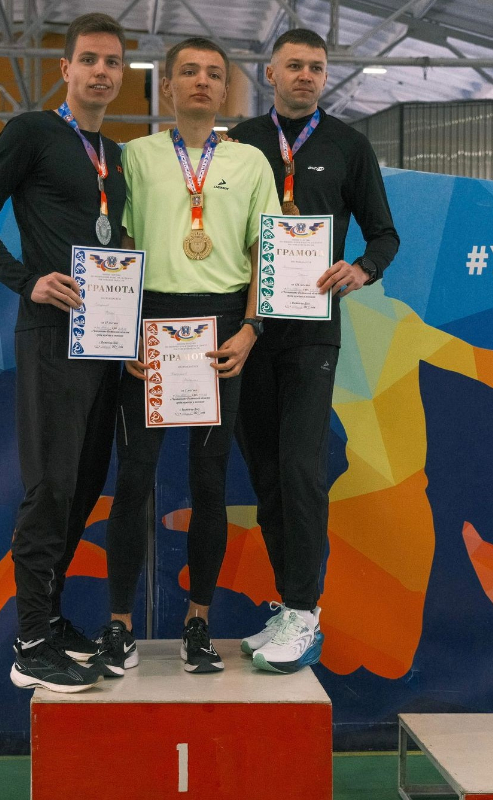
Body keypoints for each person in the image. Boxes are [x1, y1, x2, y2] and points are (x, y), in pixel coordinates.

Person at [90, 37, 280, 676]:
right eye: (188, 71)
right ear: (167, 86)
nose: (202, 81)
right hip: (152, 323)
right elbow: (119, 246)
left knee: (209, 483)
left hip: (223, 328)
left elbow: (264, 254)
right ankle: (118, 628)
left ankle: (198, 623)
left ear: (226, 90)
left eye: (214, 74)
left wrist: (250, 329)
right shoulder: (134, 157)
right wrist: (124, 335)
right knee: (133, 479)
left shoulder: (250, 162)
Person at [0, 13, 127, 692]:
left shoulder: (114, 156)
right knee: (49, 487)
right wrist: (27, 280)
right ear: (65, 68)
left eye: (113, 62)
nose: (102, 72)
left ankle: (48, 620)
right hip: (52, 337)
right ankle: (29, 644)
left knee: (82, 486)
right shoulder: (30, 132)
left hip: (103, 343)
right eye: (90, 60)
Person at [229, 28, 400, 673]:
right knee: (266, 475)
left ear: (325, 77)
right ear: (270, 73)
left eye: (317, 67)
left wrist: (362, 269)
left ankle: (306, 610)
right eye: (294, 65)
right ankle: (289, 605)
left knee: (300, 470)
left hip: (310, 335)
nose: (306, 75)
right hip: (248, 330)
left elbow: (383, 234)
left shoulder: (349, 145)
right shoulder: (240, 141)